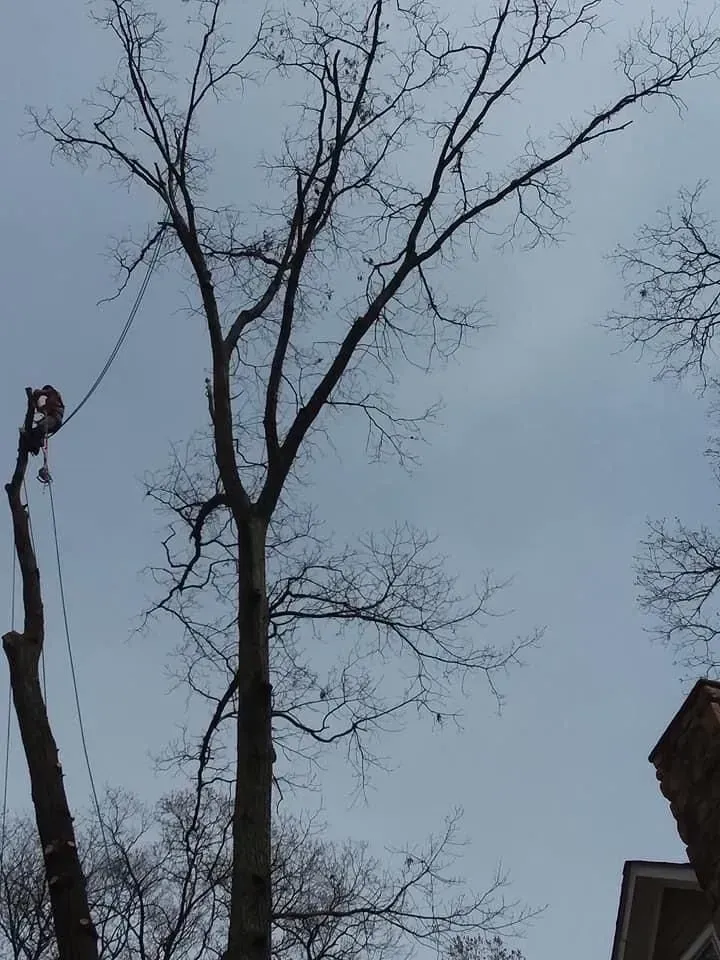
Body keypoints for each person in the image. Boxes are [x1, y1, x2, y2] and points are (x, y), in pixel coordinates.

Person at [24, 385, 65, 456]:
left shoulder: (53, 393)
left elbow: (38, 392)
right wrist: (35, 403)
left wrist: (36, 394)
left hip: (54, 419)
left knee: (42, 425)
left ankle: (37, 444)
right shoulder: (49, 401)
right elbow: (41, 410)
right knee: (34, 432)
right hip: (52, 422)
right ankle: (34, 447)